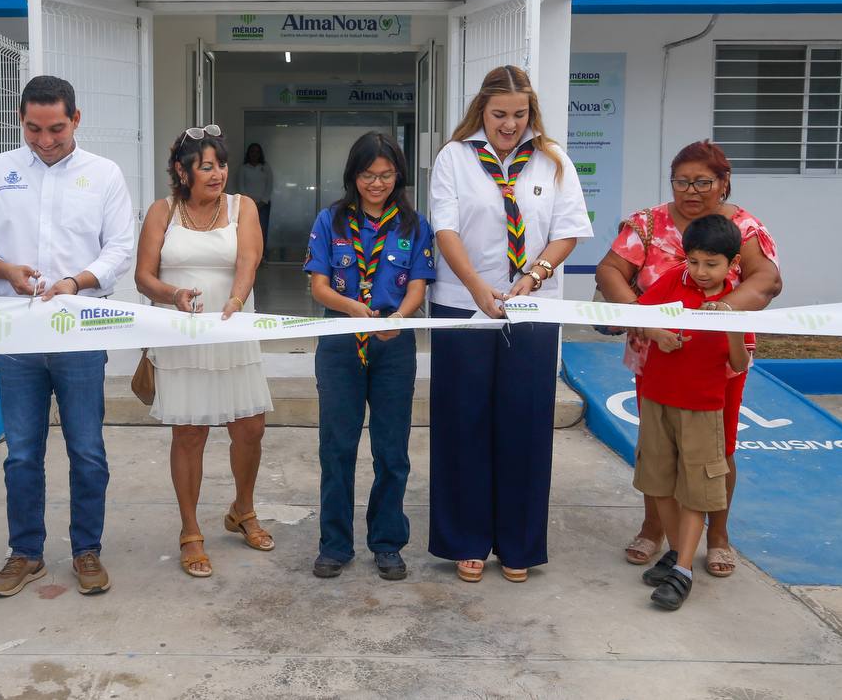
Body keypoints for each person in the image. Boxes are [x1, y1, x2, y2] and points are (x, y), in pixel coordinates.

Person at [0, 75, 135, 598]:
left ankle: (87, 550)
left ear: (76, 119)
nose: (45, 139)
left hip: (78, 331)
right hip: (17, 334)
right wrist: (2, 267)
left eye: (56, 128)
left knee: (87, 449)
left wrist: (76, 282)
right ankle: (25, 552)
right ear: (21, 119)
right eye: (33, 129)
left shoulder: (103, 175)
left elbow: (119, 249)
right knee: (20, 452)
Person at [427, 65, 592, 583]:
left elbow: (568, 231)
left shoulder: (553, 160)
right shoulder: (455, 158)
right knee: (464, 422)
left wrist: (537, 274)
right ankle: (466, 539)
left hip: (531, 307)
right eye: (499, 114)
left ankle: (518, 544)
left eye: (519, 115)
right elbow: (445, 228)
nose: (509, 125)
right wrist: (477, 286)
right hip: (461, 302)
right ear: (482, 110)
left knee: (524, 422)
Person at [595, 140, 781, 577]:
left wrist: (722, 314)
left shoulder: (745, 227)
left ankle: (718, 535)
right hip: (657, 351)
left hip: (720, 358)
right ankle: (653, 528)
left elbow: (768, 279)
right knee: (658, 445)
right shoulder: (646, 224)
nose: (691, 191)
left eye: (702, 182)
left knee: (719, 447)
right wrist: (642, 321)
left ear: (723, 182)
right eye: (682, 181)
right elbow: (609, 271)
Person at [134, 124, 274, 578]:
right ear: (183, 170)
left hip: (233, 331)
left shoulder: (242, 207)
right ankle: (190, 530)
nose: (217, 175)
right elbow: (143, 276)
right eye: (206, 167)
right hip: (182, 336)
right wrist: (172, 293)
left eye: (221, 165)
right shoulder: (163, 212)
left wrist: (235, 300)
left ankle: (242, 510)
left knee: (250, 427)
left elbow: (249, 260)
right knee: (189, 434)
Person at [303, 132, 436, 581]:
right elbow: (319, 286)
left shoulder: (414, 226)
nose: (376, 183)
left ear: (398, 174)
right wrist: (355, 311)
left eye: (385, 174)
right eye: (367, 175)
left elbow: (417, 284)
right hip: (341, 341)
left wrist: (398, 315)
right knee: (337, 448)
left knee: (391, 449)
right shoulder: (331, 221)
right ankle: (335, 544)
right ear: (353, 176)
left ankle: (387, 542)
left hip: (393, 344)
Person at [633, 215, 752, 611]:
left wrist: (731, 324)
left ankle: (682, 570)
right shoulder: (671, 280)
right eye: (694, 261)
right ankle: (675, 553)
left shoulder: (735, 303)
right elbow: (640, 315)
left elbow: (740, 362)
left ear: (733, 263)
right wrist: (656, 333)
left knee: (697, 488)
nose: (700, 272)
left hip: (702, 407)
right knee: (659, 481)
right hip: (656, 399)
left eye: (711, 264)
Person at [239, 142, 273, 258]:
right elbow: (241, 186)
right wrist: (250, 203)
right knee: (247, 231)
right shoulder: (243, 168)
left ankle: (262, 257)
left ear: (260, 154)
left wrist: (262, 202)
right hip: (247, 205)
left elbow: (269, 185)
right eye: (252, 151)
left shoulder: (265, 167)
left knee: (262, 231)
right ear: (249, 153)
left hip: (263, 205)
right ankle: (249, 256)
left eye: (257, 152)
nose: (255, 154)